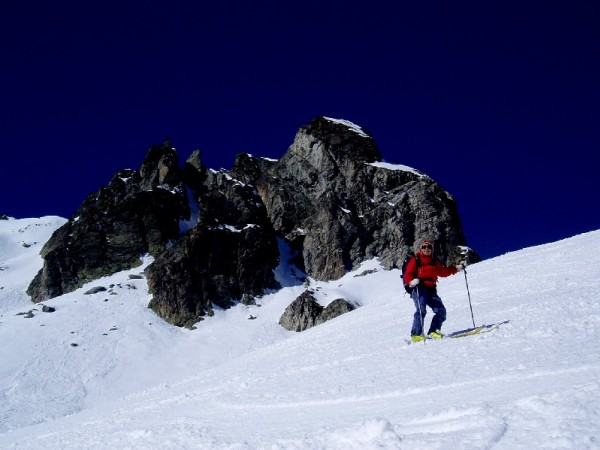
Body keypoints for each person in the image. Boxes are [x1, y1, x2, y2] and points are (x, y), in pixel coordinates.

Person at [403, 239, 465, 342]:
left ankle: (434, 331)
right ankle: (416, 334)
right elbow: (408, 273)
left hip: (431, 290)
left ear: (432, 249)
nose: (427, 249)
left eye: (429, 247)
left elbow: (444, 271)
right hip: (419, 289)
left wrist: (457, 269)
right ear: (421, 249)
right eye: (424, 247)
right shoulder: (416, 260)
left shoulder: (434, 262)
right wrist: (411, 281)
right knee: (421, 310)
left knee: (441, 311)